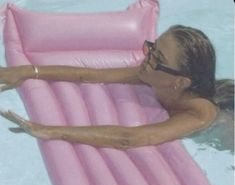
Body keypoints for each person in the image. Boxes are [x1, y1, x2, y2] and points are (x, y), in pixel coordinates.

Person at [0, 25, 233, 149]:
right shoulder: (153, 73)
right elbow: (88, 75)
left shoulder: (200, 112)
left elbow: (130, 138)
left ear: (180, 82)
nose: (146, 58)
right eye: (151, 48)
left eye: (157, 57)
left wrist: (50, 130)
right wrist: (28, 71)